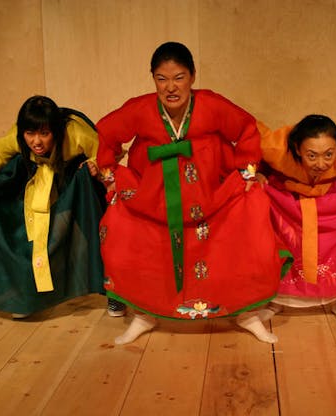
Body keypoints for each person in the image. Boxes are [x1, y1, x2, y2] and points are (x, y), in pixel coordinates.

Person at [96, 42, 283, 345]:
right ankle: (146, 313)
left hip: (209, 196)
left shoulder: (211, 104)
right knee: (131, 234)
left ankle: (244, 312)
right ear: (153, 78)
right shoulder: (140, 109)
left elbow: (246, 129)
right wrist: (111, 174)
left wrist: (248, 171)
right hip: (153, 199)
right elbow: (107, 133)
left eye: (179, 77)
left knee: (248, 215)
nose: (171, 87)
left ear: (193, 76)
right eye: (162, 78)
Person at [0, 95, 106, 317]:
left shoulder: (74, 133)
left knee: (77, 239)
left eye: (44, 133)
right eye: (30, 133)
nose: (36, 141)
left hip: (71, 189)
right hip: (37, 183)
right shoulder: (18, 135)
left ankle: (112, 291)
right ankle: (27, 297)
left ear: (56, 131)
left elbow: (104, 149)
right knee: (31, 240)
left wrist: (94, 165)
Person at [253, 115, 336, 323]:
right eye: (312, 156)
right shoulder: (277, 149)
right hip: (290, 202)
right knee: (288, 248)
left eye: (329, 155)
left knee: (335, 250)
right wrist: (260, 173)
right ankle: (277, 300)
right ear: (297, 149)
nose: (321, 164)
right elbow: (257, 153)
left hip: (332, 201)